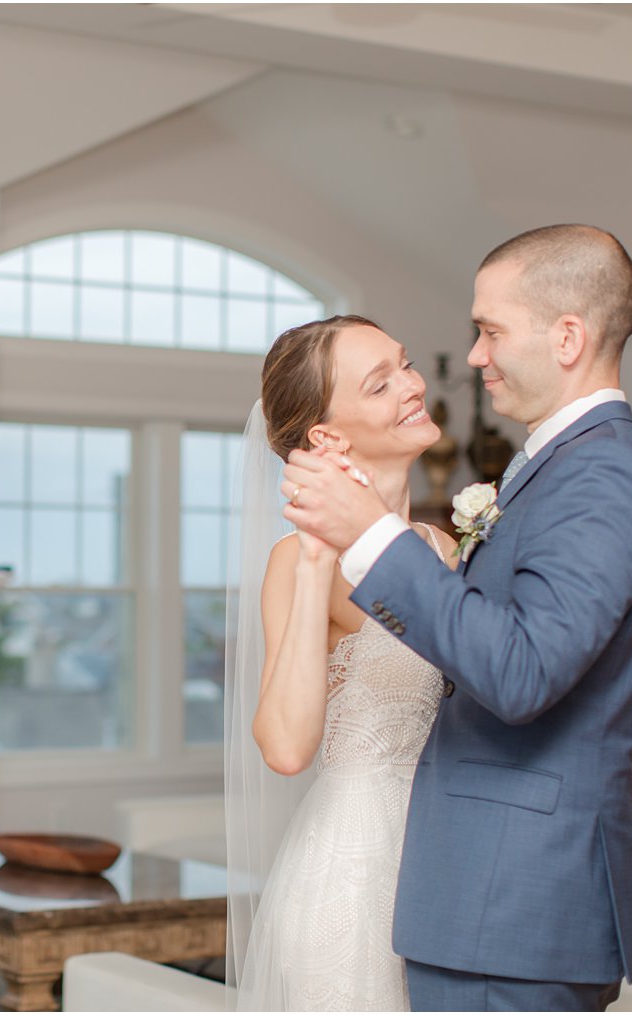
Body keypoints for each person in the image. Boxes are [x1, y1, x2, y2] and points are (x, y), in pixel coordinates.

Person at [281, 225, 632, 1011]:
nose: (472, 356)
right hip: (478, 895)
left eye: (491, 330)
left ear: (567, 337)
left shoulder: (605, 471)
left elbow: (522, 671)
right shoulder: (558, 466)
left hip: (514, 899)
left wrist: (369, 535)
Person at [224, 314, 456, 1011]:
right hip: (354, 875)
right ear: (326, 437)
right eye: (382, 383)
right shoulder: (300, 561)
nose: (414, 386)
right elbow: (288, 747)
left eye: (406, 364)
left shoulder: (447, 547)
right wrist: (318, 557)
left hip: (443, 863)